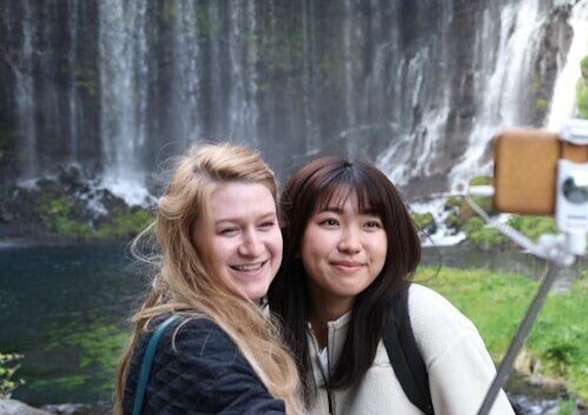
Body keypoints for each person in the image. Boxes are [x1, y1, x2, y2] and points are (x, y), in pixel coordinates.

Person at [268, 156, 514, 414]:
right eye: (331, 222)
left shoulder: (424, 319)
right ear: (295, 237)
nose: (351, 244)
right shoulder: (260, 332)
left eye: (371, 225)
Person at [114, 143, 303, 415]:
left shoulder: (186, 320)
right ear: (188, 242)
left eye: (265, 224)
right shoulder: (192, 342)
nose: (253, 247)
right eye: (229, 230)